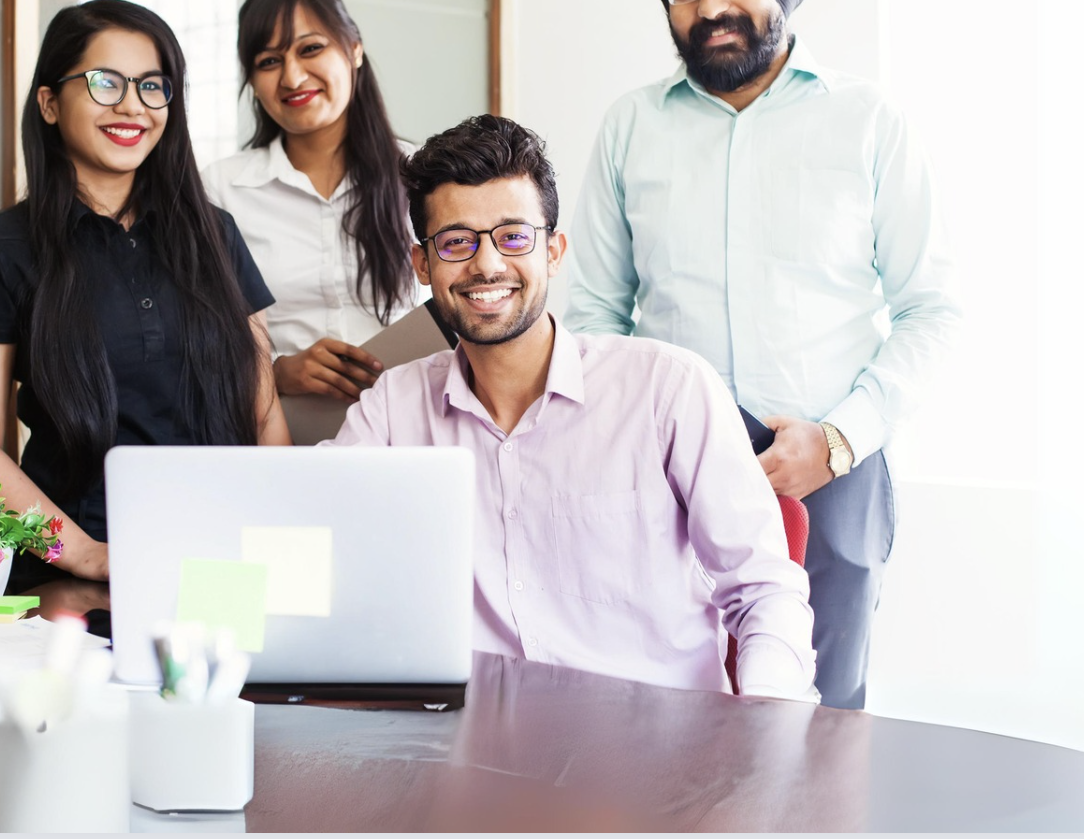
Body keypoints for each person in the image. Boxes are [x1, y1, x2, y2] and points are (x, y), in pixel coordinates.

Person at [564, 0, 961, 709]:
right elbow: (596, 313)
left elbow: (931, 309)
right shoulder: (631, 125)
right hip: (666, 476)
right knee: (665, 717)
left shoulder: (868, 121)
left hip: (832, 472)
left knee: (825, 724)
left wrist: (839, 441)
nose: (709, 4)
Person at [333, 115, 817, 700]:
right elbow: (307, 542)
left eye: (514, 237)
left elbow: (764, 591)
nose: (487, 265)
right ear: (422, 265)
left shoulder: (668, 389)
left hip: (655, 742)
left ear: (554, 251)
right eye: (457, 242)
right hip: (471, 739)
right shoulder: (392, 408)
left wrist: (765, 721)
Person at [0, 0, 289, 581]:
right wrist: (86, 554)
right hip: (77, 574)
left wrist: (278, 531)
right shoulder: (1, 249)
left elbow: (264, 412)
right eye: (105, 82)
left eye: (152, 86)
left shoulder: (215, 234)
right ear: (49, 103)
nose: (132, 105)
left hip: (223, 557)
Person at [202, 0, 421, 402]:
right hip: (284, 427)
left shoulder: (418, 173)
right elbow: (197, 335)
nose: (292, 77)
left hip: (410, 418)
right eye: (269, 61)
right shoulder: (221, 189)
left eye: (310, 49)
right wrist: (275, 372)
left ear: (354, 49)